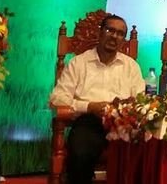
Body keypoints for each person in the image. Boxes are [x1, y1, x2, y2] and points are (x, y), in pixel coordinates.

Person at [49, 14, 144, 184]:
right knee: (81, 153)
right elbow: (58, 98)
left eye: (120, 34)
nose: (114, 36)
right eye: (110, 30)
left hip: (124, 124)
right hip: (90, 121)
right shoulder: (79, 63)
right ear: (100, 32)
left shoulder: (131, 66)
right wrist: (89, 106)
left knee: (147, 150)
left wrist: (127, 106)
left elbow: (140, 100)